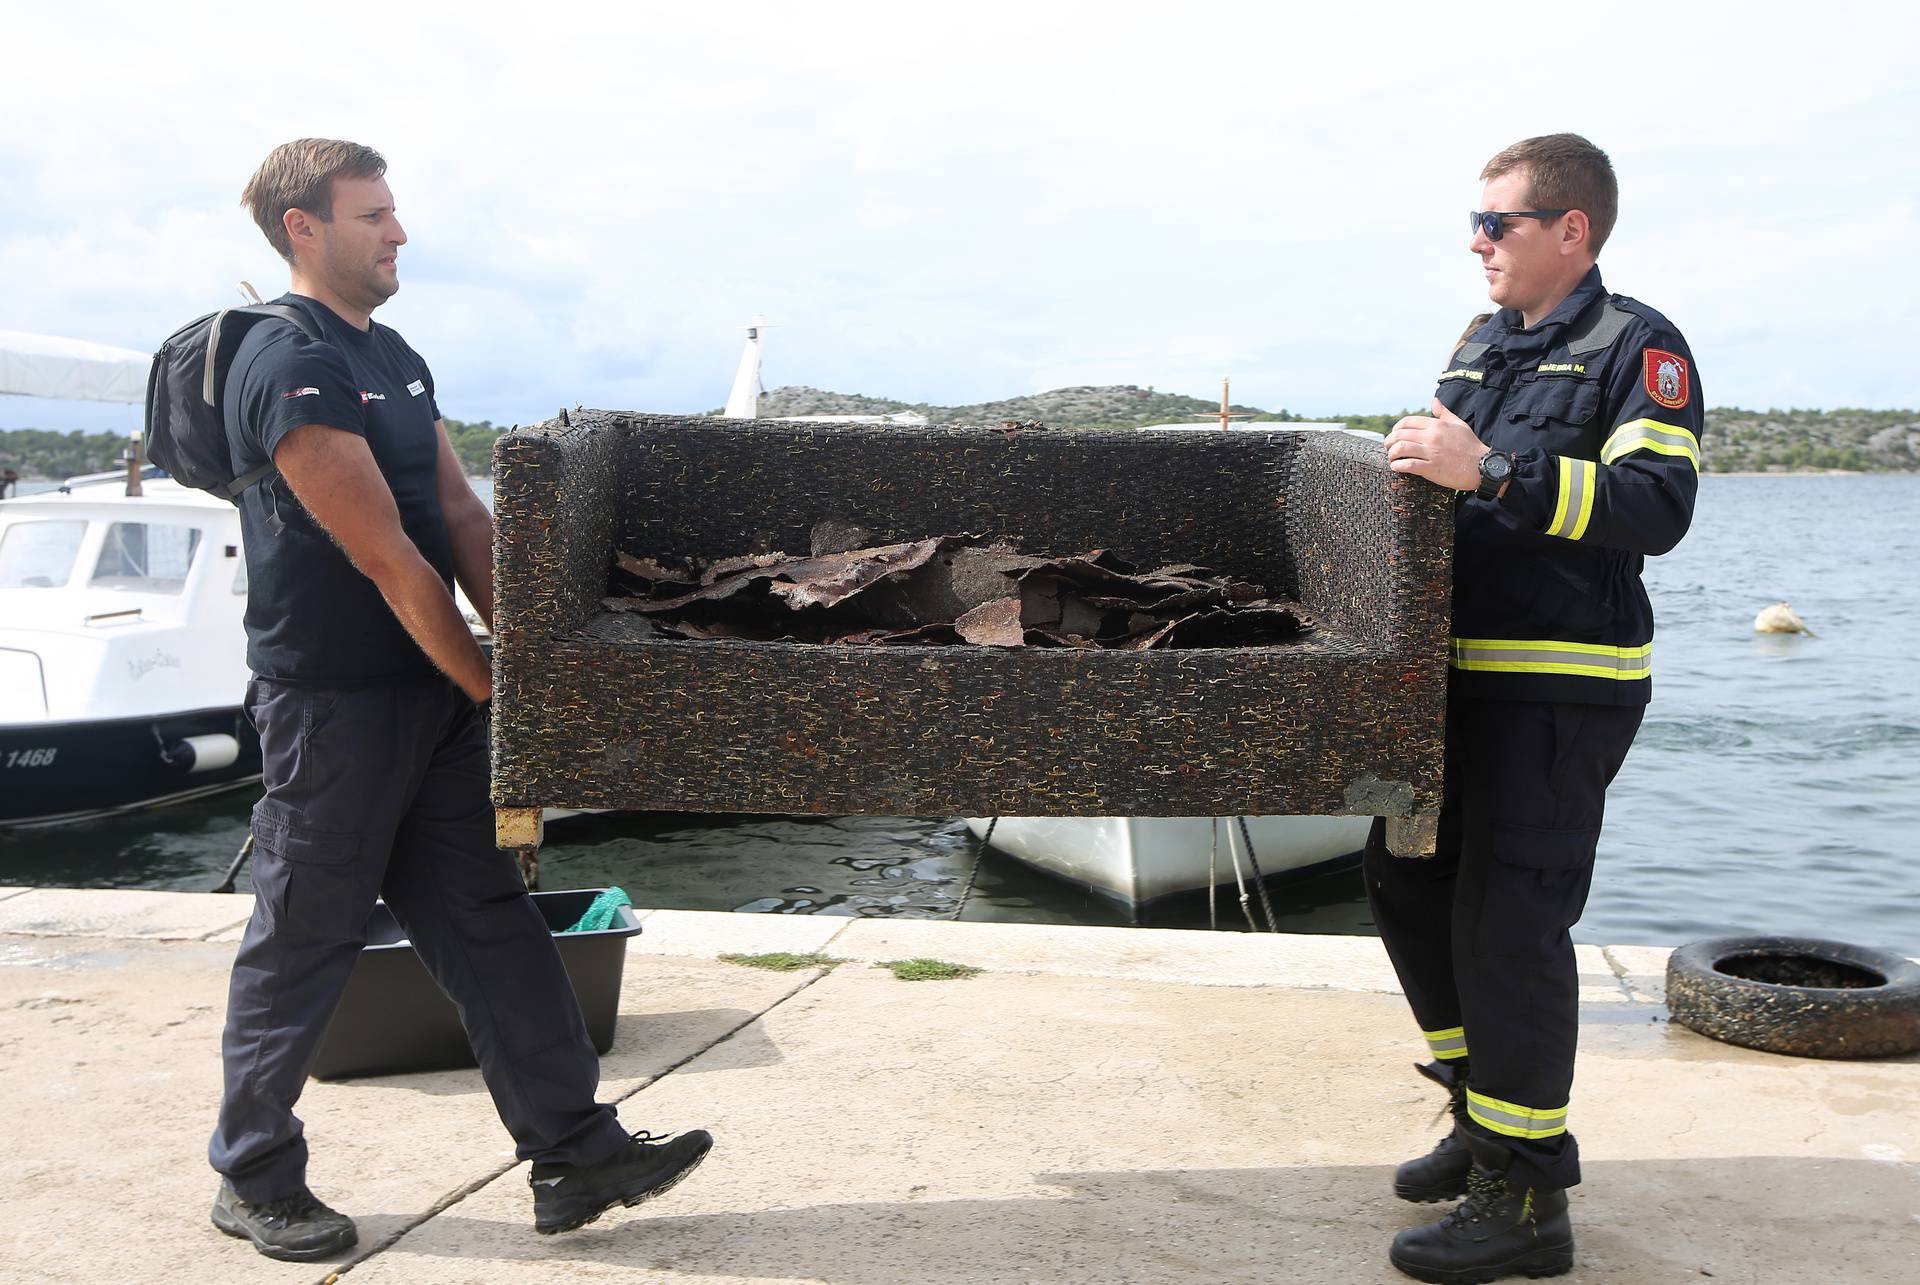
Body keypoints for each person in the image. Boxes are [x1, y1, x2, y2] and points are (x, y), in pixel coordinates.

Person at [207, 139, 712, 1262]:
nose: (397, 233)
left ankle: (575, 1150)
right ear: (304, 227)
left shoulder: (396, 357)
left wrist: (536, 672)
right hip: (334, 707)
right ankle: (251, 1173)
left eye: (395, 212)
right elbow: (388, 557)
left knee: (490, 921)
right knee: (304, 939)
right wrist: (494, 689)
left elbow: (464, 524)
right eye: (373, 214)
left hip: (430, 695)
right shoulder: (283, 361)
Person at [1373, 133, 1702, 1283]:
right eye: (1473, 223)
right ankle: (1484, 1115)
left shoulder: (1639, 346)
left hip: (1560, 685)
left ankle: (1525, 1201)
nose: (1476, 243)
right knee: (1405, 879)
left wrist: (1498, 475)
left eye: (1496, 223)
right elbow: (1438, 472)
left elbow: (1656, 506)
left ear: (1572, 231)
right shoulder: (1480, 344)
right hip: (1451, 677)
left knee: (1510, 923)